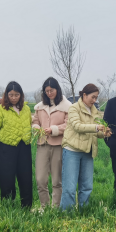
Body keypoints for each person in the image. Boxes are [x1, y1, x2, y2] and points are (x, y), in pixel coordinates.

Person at [60, 83, 110, 210]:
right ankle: (67, 213)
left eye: (96, 97)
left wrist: (103, 133)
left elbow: (96, 132)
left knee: (87, 186)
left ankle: (84, 211)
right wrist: (96, 127)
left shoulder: (94, 111)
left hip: (88, 151)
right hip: (72, 150)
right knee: (70, 186)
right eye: (92, 97)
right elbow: (77, 126)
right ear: (84, 95)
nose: (94, 100)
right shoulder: (74, 108)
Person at [0, 81, 33, 208]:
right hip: (7, 149)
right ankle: (8, 206)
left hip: (24, 147)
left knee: (25, 177)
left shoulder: (26, 109)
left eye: (16, 95)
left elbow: (29, 124)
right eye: (11, 95)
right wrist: (2, 143)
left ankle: (27, 206)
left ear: (21, 95)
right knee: (6, 178)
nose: (14, 98)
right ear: (6, 95)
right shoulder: (0, 110)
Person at [31, 77, 71, 208]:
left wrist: (54, 130)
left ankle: (56, 207)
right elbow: (35, 121)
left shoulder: (66, 106)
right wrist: (36, 128)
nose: (49, 93)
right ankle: (44, 206)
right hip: (42, 144)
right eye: (46, 91)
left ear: (57, 89)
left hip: (58, 145)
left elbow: (68, 125)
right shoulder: (40, 107)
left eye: (51, 90)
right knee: (40, 179)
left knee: (56, 180)